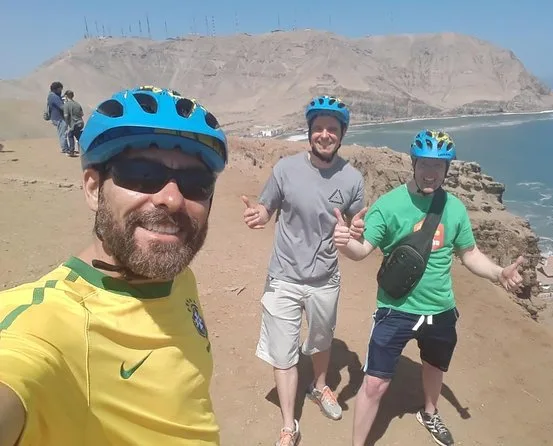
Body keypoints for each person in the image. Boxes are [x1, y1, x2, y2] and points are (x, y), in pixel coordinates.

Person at [0, 86, 228, 446]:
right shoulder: (47, 326)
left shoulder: (177, 275)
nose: (172, 199)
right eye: (142, 174)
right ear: (94, 189)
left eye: (196, 183)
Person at [333, 130, 525, 446]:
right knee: (375, 384)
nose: (431, 172)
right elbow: (362, 249)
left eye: (438, 165)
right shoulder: (389, 205)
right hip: (395, 309)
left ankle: (430, 413)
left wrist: (498, 273)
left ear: (447, 169)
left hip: (440, 309)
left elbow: (470, 254)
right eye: (424, 163)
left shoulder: (454, 208)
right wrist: (344, 243)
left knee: (435, 367)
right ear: (413, 163)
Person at [242, 95, 367, 446]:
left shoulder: (352, 179)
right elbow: (267, 207)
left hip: (325, 279)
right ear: (310, 132)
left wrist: (354, 232)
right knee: (283, 354)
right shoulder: (285, 169)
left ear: (342, 134)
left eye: (332, 129)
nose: (325, 134)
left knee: (321, 340)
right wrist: (259, 215)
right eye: (318, 128)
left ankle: (319, 385)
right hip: (283, 277)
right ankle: (289, 424)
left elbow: (357, 228)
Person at [46, 81, 70, 154]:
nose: (61, 91)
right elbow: (62, 107)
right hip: (58, 118)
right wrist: (68, 105)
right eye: (60, 89)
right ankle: (65, 149)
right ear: (56, 89)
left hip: (56, 117)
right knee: (63, 133)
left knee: (62, 133)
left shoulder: (52, 96)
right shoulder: (54, 97)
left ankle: (65, 148)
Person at [63, 89, 85, 154]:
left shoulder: (66, 105)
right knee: (78, 135)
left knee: (70, 134)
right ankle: (83, 149)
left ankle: (71, 150)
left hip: (74, 124)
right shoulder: (77, 104)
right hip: (81, 123)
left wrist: (66, 125)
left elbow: (66, 116)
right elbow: (82, 114)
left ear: (66, 96)